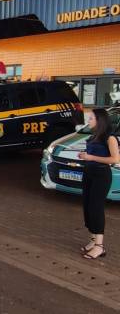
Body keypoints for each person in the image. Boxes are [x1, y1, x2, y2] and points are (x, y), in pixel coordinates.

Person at [78, 108, 120, 259]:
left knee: (96, 208)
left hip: (101, 175)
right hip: (89, 173)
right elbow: (92, 155)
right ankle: (92, 240)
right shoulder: (94, 136)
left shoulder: (110, 138)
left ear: (99, 120)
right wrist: (84, 156)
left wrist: (90, 157)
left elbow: (115, 160)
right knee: (88, 208)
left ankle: (99, 247)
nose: (88, 121)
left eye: (91, 118)